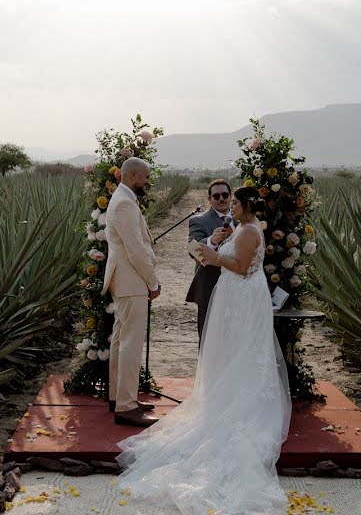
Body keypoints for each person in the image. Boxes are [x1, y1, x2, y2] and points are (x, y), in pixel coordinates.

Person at [116, 186, 291, 514]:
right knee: (225, 352)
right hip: (232, 296)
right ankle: (222, 392)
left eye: (235, 202)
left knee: (241, 352)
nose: (231, 206)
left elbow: (240, 265)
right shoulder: (239, 227)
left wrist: (212, 256)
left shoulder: (251, 231)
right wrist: (211, 246)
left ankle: (237, 401)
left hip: (241, 297)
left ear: (245, 205)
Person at [102, 157, 161, 427]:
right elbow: (135, 248)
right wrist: (152, 281)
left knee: (119, 339)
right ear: (133, 176)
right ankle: (126, 406)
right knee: (130, 343)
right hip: (131, 279)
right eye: (146, 177)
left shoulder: (122, 198)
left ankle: (118, 397)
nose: (148, 181)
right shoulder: (125, 202)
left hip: (123, 279)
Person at [185, 179, 234, 346]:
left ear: (231, 196)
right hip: (210, 287)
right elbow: (192, 251)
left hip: (238, 289)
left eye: (225, 195)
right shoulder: (199, 220)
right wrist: (211, 241)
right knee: (209, 342)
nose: (221, 199)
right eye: (216, 196)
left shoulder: (242, 219)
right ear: (209, 199)